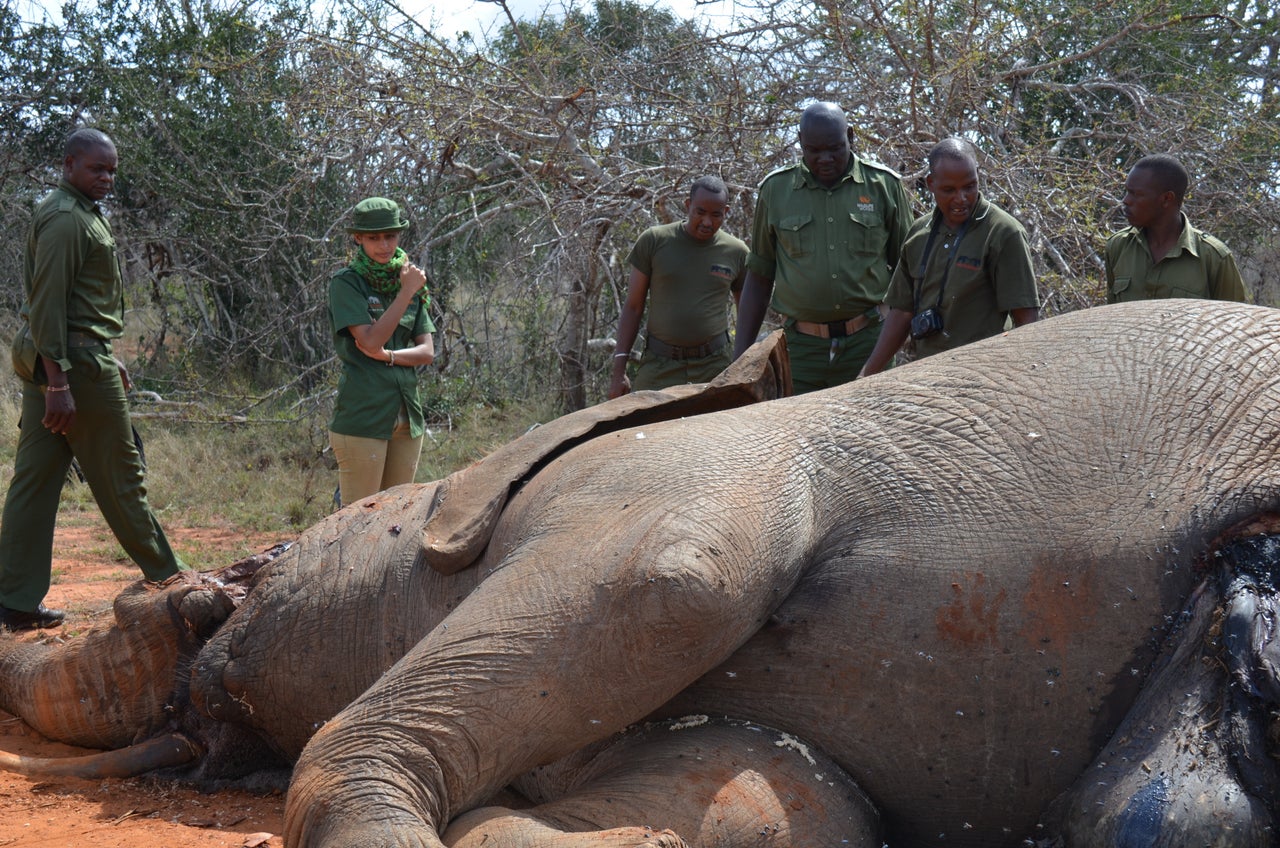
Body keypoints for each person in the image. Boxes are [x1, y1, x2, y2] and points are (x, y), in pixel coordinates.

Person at [0, 128, 186, 631]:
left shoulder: (76, 211)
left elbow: (75, 301)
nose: (105, 179)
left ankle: (15, 599)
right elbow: (49, 303)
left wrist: (99, 355)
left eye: (111, 171)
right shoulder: (66, 219)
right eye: (96, 169)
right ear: (69, 165)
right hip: (71, 369)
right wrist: (59, 382)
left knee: (34, 483)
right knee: (122, 477)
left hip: (64, 357)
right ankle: (174, 585)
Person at [732, 101, 913, 393]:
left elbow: (908, 271)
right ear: (800, 141)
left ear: (851, 137)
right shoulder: (775, 190)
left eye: (835, 148)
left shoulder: (883, 185)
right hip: (800, 350)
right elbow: (760, 274)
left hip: (868, 344)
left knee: (868, 434)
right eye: (814, 151)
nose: (825, 159)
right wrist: (740, 359)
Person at [859, 138, 1040, 377]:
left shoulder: (1003, 232)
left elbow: (1026, 320)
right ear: (931, 184)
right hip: (927, 373)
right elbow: (902, 311)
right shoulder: (918, 234)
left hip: (985, 375)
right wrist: (866, 376)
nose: (961, 198)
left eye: (969, 186)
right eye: (949, 190)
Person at [328, 197, 436, 507]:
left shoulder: (412, 281)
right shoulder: (347, 283)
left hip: (407, 417)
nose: (384, 245)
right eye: (373, 237)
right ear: (357, 238)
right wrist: (405, 293)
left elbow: (427, 352)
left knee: (396, 521)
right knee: (359, 521)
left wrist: (389, 356)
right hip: (364, 416)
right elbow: (370, 342)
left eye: (390, 236)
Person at [609, 176, 748, 398]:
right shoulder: (654, 240)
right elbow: (633, 307)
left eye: (716, 215)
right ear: (687, 206)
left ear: (726, 211)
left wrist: (742, 368)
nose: (707, 222)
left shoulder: (737, 252)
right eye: (700, 212)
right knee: (639, 429)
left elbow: (747, 314)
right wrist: (619, 372)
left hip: (714, 367)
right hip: (659, 366)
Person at [1105, 154, 1248, 303]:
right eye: (1127, 192)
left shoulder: (1214, 258)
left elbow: (1234, 321)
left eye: (1136, 194)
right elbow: (1112, 316)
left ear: (1167, 199)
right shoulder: (1118, 247)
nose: (1126, 201)